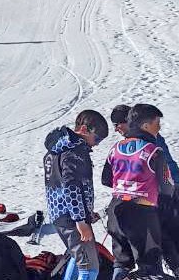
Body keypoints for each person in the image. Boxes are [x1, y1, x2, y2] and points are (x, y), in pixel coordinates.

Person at [101, 104, 174, 280]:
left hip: (116, 210)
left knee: (121, 261)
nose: (159, 127)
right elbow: (167, 187)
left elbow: (105, 179)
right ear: (146, 126)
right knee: (149, 267)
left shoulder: (115, 148)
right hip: (142, 213)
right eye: (157, 123)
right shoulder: (154, 151)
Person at [43, 110, 109, 280]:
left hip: (60, 214)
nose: (97, 144)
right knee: (89, 268)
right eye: (97, 138)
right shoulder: (75, 150)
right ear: (85, 129)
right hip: (72, 218)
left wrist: (85, 212)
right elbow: (71, 187)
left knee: (78, 259)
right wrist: (80, 220)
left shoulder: (57, 148)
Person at [110, 105, 179, 188]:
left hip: (163, 193)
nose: (115, 129)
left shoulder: (150, 140)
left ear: (127, 121)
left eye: (116, 125)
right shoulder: (131, 142)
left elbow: (168, 167)